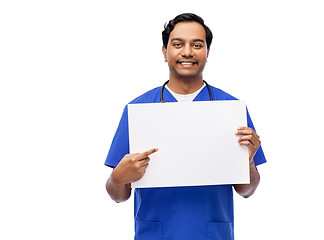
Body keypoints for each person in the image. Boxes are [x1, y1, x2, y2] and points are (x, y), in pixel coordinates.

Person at [105, 13, 266, 240]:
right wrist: (118, 179)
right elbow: (118, 195)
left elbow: (246, 191)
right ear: (164, 52)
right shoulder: (138, 109)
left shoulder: (231, 109)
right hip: (156, 234)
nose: (187, 52)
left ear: (208, 52)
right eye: (178, 44)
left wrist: (248, 160)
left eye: (197, 45)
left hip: (212, 234)